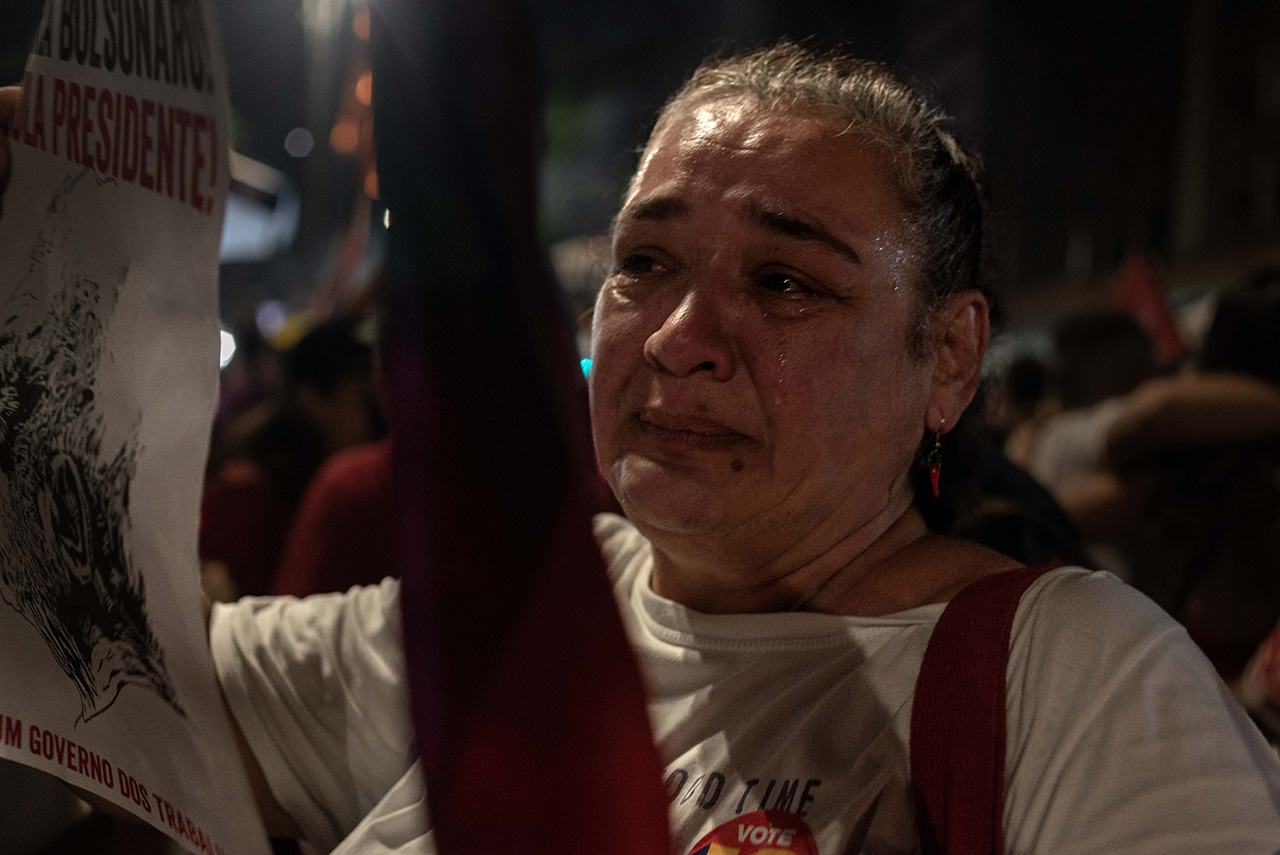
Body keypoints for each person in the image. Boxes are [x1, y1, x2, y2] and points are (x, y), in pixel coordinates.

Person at [5, 46, 1280, 855]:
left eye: (784, 283)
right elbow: (85, 660)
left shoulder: (1078, 681)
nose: (678, 338)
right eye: (646, 264)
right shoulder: (513, 622)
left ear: (947, 357)